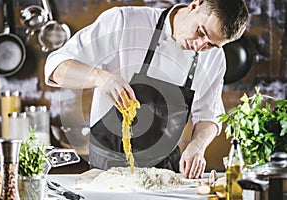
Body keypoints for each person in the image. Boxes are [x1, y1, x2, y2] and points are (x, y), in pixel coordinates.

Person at [44, 0, 249, 179]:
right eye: (200, 32)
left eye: (211, 44)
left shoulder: (213, 58)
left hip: (166, 173)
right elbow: (55, 67)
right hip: (107, 169)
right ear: (195, 5)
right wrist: (100, 78)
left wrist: (197, 146)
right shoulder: (125, 21)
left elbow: (209, 114)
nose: (199, 45)